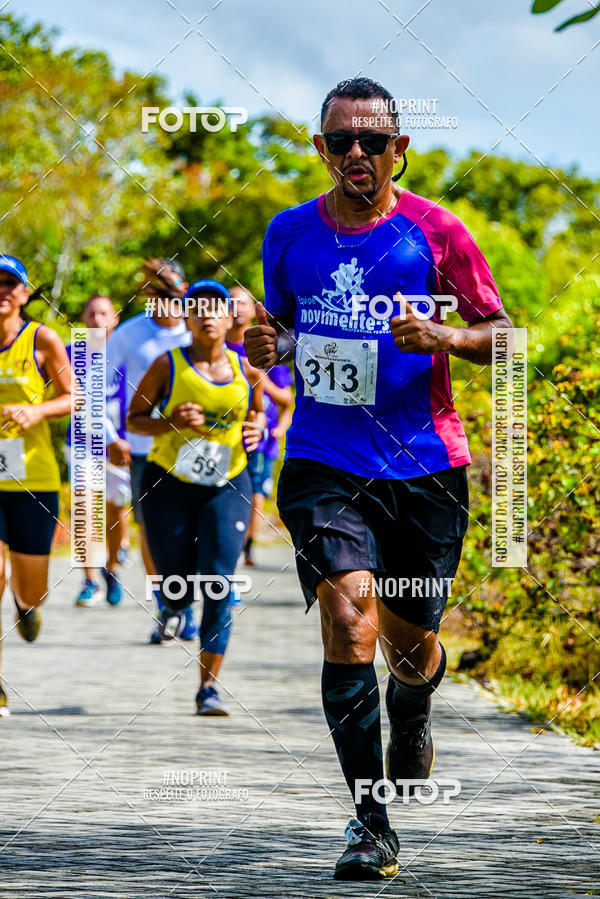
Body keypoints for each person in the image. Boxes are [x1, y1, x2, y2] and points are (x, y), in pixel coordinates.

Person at [244, 77, 513, 880]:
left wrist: (446, 337)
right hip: (322, 459)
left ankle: (415, 700)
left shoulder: (437, 230)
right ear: (320, 149)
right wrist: (271, 345)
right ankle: (370, 822)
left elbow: (505, 337)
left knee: (407, 647)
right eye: (339, 141)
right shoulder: (289, 231)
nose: (354, 153)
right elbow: (284, 326)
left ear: (400, 148)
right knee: (349, 620)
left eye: (371, 140)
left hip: (425, 463)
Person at [127, 279, 264, 715]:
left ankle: (208, 688)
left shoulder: (247, 370)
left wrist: (257, 428)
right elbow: (134, 420)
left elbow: (259, 415)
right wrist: (170, 421)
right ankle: (175, 604)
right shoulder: (167, 364)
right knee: (177, 585)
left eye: (216, 308)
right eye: (197, 309)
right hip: (169, 484)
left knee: (219, 583)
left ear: (229, 318)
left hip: (229, 484)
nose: (207, 316)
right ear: (186, 318)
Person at [105, 259, 198, 642]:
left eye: (169, 289)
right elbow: (94, 386)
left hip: (197, 448)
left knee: (194, 530)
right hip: (144, 451)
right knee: (153, 533)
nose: (162, 297)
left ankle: (189, 604)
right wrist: (110, 436)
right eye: (154, 290)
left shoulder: (198, 330)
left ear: (184, 290)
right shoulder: (129, 334)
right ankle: (169, 606)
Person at [0, 255, 72, 717]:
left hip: (32, 479)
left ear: (25, 293)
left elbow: (74, 396)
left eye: (10, 283)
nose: (2, 290)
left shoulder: (41, 339)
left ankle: (26, 607)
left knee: (33, 589)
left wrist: (37, 410)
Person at [66, 294, 131, 607]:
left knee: (115, 513)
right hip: (82, 443)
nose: (97, 319)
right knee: (85, 507)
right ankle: (89, 580)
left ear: (115, 318)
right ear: (83, 319)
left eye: (104, 313)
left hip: (120, 446)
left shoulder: (127, 352)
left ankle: (112, 567)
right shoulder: (72, 353)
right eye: (91, 313)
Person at [224, 288, 294, 566]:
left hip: (261, 439)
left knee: (255, 492)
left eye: (241, 303)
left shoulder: (267, 344)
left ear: (253, 308)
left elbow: (287, 400)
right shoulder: (214, 346)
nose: (236, 309)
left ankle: (246, 547)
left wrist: (260, 381)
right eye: (230, 303)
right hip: (223, 436)